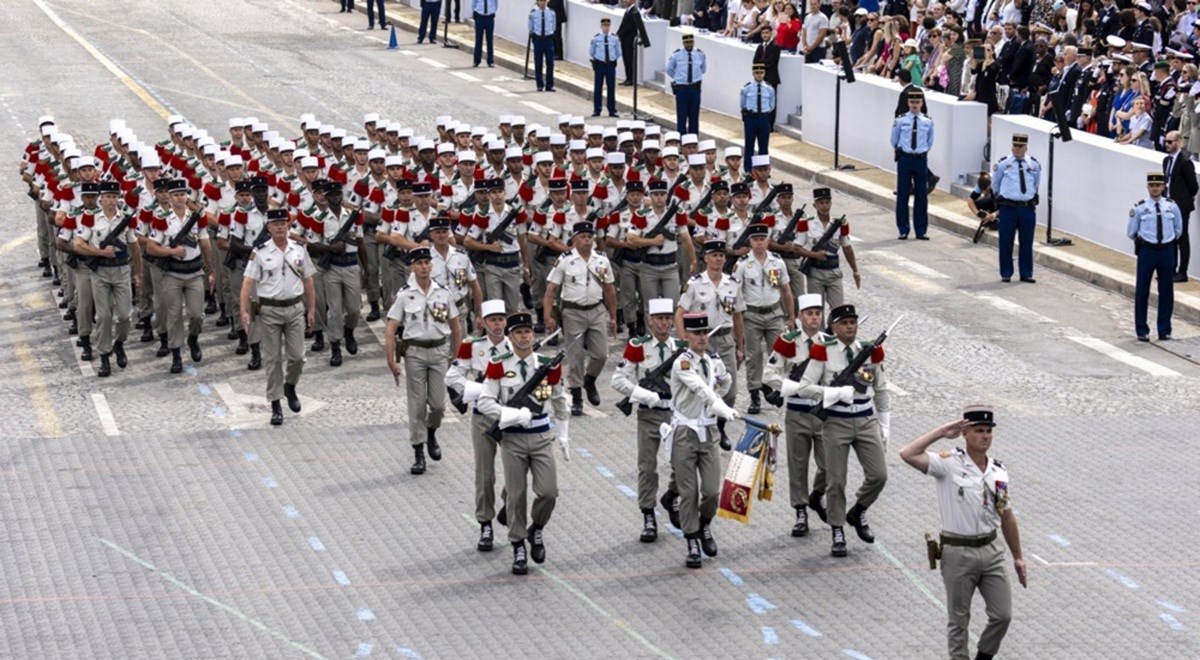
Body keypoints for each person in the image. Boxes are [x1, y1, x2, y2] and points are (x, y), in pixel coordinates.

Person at [899, 406, 1027, 660]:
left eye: (989, 431)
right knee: (959, 619)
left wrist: (1018, 556)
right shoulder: (948, 464)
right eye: (979, 431)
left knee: (1002, 615)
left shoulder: (998, 471)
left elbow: (1006, 515)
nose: (985, 436)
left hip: (991, 551)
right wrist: (940, 432)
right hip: (958, 552)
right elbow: (907, 454)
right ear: (965, 434)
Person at [475, 312, 571, 576]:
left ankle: (536, 529)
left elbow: (560, 400)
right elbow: (484, 402)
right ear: (510, 336)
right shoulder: (498, 364)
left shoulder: (547, 365)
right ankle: (518, 544)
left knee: (549, 492)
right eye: (518, 332)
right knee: (516, 497)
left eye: (528, 332)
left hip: (541, 436)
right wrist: (510, 415)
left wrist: (564, 434)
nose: (524, 337)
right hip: (513, 439)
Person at [799, 304, 890, 557]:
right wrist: (833, 392)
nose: (850, 327)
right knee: (836, 480)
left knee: (879, 475)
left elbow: (881, 388)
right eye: (845, 323)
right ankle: (837, 528)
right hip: (836, 421)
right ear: (834, 327)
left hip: (864, 419)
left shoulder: (868, 351)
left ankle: (858, 510)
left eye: (853, 322)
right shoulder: (823, 351)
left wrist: (885, 422)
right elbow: (805, 386)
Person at [611, 298, 687, 541]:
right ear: (650, 320)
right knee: (647, 467)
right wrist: (644, 395)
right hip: (649, 415)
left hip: (676, 413)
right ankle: (648, 515)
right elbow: (618, 380)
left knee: (682, 463)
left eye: (667, 318)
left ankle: (672, 496)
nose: (664, 323)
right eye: (659, 319)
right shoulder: (638, 346)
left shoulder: (681, 348)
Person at [669, 312, 739, 568]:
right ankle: (691, 540)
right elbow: (701, 388)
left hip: (708, 433)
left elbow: (725, 380)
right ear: (686, 336)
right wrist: (722, 407)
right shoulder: (682, 364)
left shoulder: (714, 361)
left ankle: (704, 525)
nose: (701, 338)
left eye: (704, 333)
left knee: (711, 492)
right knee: (689, 492)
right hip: (685, 433)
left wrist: (720, 397)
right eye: (696, 333)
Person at [386, 247, 463, 474]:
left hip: (439, 352)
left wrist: (456, 357)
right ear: (412, 267)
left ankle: (431, 433)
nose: (423, 267)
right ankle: (418, 451)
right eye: (418, 263)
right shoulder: (405, 294)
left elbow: (455, 326)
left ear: (432, 266)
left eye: (426, 263)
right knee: (417, 405)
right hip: (415, 354)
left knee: (438, 405)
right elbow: (391, 328)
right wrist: (391, 361)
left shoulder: (443, 292)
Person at [239, 209, 317, 426]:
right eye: (276, 224)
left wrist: (311, 309)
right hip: (269, 311)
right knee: (273, 359)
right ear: (269, 228)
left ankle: (290, 386)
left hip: (294, 308)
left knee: (297, 356)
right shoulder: (260, 252)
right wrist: (243, 310)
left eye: (283, 223)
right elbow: (248, 281)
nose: (280, 227)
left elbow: (308, 280)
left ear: (288, 225)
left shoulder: (299, 250)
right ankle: (275, 403)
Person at [446, 299, 510, 551]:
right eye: (492, 320)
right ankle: (485, 523)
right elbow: (452, 376)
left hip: (507, 415)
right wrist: (476, 391)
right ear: (482, 322)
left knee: (516, 471)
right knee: (485, 474)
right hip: (483, 416)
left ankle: (508, 503)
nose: (497, 324)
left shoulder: (516, 345)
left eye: (501, 319)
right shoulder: (472, 346)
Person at [762, 293, 828, 537]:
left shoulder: (830, 343)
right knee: (798, 466)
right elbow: (769, 374)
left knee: (829, 465)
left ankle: (817, 495)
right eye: (809, 314)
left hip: (822, 414)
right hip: (798, 412)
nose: (814, 318)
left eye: (817, 313)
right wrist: (791, 387)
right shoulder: (788, 341)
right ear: (800, 316)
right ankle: (800, 511)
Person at [676, 240, 745, 450]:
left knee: (730, 390)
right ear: (705, 258)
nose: (718, 259)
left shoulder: (732, 283)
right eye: (714, 255)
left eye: (722, 255)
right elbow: (679, 314)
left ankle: (720, 425)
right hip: (701, 341)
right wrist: (683, 340)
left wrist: (740, 346)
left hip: (724, 340)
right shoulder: (695, 283)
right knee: (704, 386)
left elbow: (738, 316)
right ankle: (705, 427)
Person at [544, 221, 618, 415]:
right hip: (573, 312)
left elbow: (609, 289)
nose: (587, 241)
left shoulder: (601, 259)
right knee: (575, 356)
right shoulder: (566, 260)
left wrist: (613, 316)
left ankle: (590, 379)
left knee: (601, 354)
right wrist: (547, 315)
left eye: (589, 237)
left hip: (596, 309)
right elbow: (551, 289)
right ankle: (576, 396)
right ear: (574, 239)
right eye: (583, 237)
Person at [73, 181, 143, 378]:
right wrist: (99, 252)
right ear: (101, 199)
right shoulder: (91, 219)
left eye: (114, 197)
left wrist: (139, 274)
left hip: (121, 271)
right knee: (103, 316)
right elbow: (78, 244)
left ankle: (119, 344)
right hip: (101, 272)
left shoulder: (127, 219)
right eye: (107, 197)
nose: (111, 201)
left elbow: (134, 246)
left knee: (125, 315)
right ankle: (104, 355)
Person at [147, 179, 215, 375]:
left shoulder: (196, 218)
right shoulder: (162, 219)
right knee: (174, 315)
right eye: (175, 194)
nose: (179, 197)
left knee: (196, 314)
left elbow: (205, 243)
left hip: (194, 273)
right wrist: (170, 251)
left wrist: (212, 270)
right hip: (173, 274)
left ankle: (193, 338)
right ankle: (176, 354)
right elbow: (151, 247)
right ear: (169, 197)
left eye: (183, 194)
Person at [734, 224, 793, 415]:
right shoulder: (742, 264)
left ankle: (772, 387)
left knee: (777, 354)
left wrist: (791, 316)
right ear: (750, 241)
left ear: (767, 240)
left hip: (774, 313)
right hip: (752, 315)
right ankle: (754, 395)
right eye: (755, 240)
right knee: (753, 356)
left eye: (762, 239)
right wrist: (735, 319)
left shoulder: (777, 262)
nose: (759, 243)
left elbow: (786, 290)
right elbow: (735, 293)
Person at [1128, 172, 1182, 341]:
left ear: (1163, 186)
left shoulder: (1172, 207)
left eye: (1158, 185)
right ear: (1147, 187)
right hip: (1147, 251)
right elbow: (1131, 232)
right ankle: (1142, 330)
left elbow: (1178, 229)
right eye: (1152, 186)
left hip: (1166, 250)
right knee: (1142, 289)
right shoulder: (1140, 208)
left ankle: (1164, 329)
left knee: (1166, 290)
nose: (1155, 188)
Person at [992, 133, 1041, 283]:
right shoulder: (1003, 164)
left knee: (1026, 241)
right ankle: (1006, 272)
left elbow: (1036, 183)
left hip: (1026, 208)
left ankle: (1026, 273)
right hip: (1008, 207)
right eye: (1015, 146)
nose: (1017, 149)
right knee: (1006, 241)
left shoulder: (1033, 164)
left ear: (1026, 147)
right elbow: (996, 184)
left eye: (1020, 147)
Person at [802, 187, 861, 308]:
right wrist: (814, 255)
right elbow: (796, 248)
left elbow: (847, 247)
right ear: (815, 205)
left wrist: (855, 270)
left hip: (834, 272)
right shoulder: (807, 223)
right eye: (821, 203)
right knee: (816, 311)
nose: (824, 206)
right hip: (815, 272)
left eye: (827, 202)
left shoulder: (838, 224)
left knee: (838, 311)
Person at [891, 88, 934, 240]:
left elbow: (930, 142)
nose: (914, 105)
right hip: (905, 159)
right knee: (903, 194)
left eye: (917, 102)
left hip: (920, 159)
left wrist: (921, 152)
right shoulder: (901, 120)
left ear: (921, 103)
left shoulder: (927, 121)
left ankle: (921, 230)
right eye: (912, 102)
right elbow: (894, 141)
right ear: (908, 103)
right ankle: (903, 229)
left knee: (921, 195)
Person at [1163, 131, 1197, 282]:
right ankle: (1171, 269)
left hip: (1181, 205)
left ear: (1178, 142)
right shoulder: (1166, 160)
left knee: (1182, 238)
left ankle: (1183, 271)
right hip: (1169, 203)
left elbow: (1193, 186)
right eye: (1166, 142)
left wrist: (1183, 199)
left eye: (1170, 142)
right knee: (1170, 237)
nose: (1167, 145)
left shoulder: (1185, 162)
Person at [666, 33, 707, 135]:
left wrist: (694, 78)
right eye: (687, 43)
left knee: (694, 115)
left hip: (695, 88)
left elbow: (703, 69)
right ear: (683, 43)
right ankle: (681, 139)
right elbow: (669, 69)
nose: (689, 45)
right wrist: (679, 78)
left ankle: (693, 139)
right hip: (682, 88)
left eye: (691, 42)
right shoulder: (677, 54)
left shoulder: (699, 54)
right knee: (682, 115)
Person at [741, 63, 776, 165]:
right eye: (757, 73)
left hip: (764, 118)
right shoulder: (747, 88)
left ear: (764, 73)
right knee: (749, 145)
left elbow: (772, 105)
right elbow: (742, 104)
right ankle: (748, 169)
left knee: (764, 146)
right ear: (753, 74)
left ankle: (763, 168)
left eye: (761, 73)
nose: (759, 75)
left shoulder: (769, 88)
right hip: (751, 118)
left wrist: (764, 113)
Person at [590, 18, 623, 118]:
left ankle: (612, 110)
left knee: (611, 88)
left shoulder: (614, 38)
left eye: (608, 26)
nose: (606, 28)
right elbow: (592, 52)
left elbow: (618, 52)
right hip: (599, 64)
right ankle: (597, 109)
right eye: (604, 26)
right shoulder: (596, 38)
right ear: (601, 26)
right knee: (598, 87)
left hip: (610, 65)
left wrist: (612, 59)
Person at [530, 0, 558, 92]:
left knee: (550, 63)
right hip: (538, 39)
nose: (543, 3)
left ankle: (549, 85)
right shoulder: (533, 13)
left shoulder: (551, 12)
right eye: (541, 1)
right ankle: (539, 85)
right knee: (538, 63)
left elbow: (553, 26)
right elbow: (531, 27)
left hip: (548, 38)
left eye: (544, 1)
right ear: (538, 2)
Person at [617, 0, 645, 86]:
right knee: (626, 59)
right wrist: (618, 34)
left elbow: (629, 26)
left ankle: (631, 79)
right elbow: (623, 25)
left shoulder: (634, 11)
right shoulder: (628, 11)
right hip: (624, 40)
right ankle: (628, 77)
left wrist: (619, 34)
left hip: (629, 40)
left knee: (629, 60)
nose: (624, 1)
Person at [473, 0, 497, 67]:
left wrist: (493, 11)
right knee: (478, 40)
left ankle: (490, 61)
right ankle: (476, 61)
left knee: (490, 40)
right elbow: (474, 3)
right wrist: (475, 11)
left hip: (489, 17)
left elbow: (496, 3)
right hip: (479, 16)